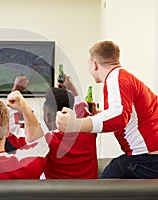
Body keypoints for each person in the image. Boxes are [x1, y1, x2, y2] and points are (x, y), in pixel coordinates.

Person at [56, 40, 158, 178]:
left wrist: (75, 124)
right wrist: (96, 112)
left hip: (147, 159)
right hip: (149, 156)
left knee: (107, 180)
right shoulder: (125, 77)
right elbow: (129, 116)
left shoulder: (115, 78)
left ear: (94, 64)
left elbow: (119, 116)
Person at [7, 75, 98, 179]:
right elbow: (83, 108)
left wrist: (14, 92)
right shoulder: (89, 129)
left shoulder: (45, 141)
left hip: (57, 195)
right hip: (91, 194)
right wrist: (72, 89)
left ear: (48, 115)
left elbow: (11, 130)